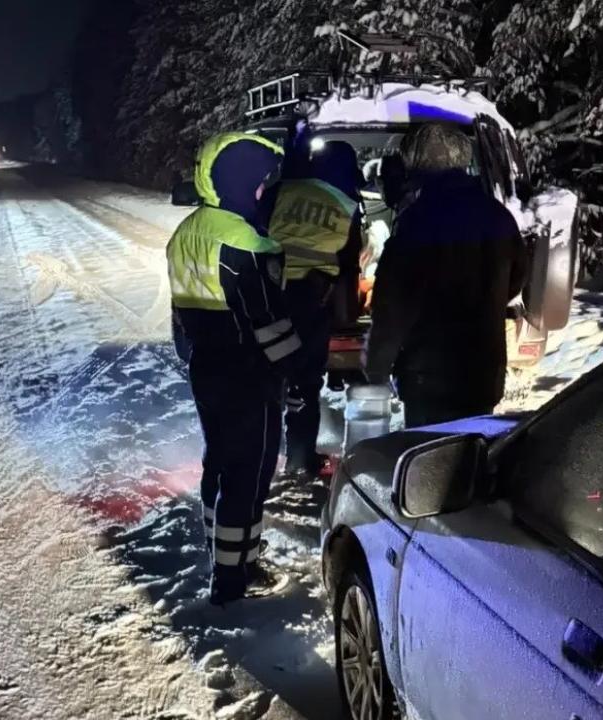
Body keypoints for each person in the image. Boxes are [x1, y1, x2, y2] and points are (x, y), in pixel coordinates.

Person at [166, 132, 299, 605]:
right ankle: (233, 577)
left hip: (206, 365)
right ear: (241, 182)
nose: (265, 191)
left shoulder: (185, 234)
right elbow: (268, 321)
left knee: (218, 460)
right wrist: (295, 375)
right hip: (249, 373)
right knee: (250, 470)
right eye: (261, 182)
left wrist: (194, 354)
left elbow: (180, 314)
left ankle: (218, 547)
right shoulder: (246, 241)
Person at [364, 123, 529, 427]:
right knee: (471, 458)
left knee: (428, 461)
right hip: (482, 373)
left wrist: (376, 367)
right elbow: (517, 280)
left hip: (428, 377)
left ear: (418, 164)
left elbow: (391, 306)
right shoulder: (498, 216)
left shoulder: (417, 221)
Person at [260, 139, 364, 478]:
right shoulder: (346, 207)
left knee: (267, 376)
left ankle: (261, 454)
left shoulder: (280, 192)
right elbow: (349, 268)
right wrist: (345, 317)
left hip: (267, 296)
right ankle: (300, 460)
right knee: (303, 382)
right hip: (309, 301)